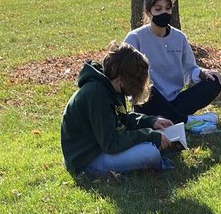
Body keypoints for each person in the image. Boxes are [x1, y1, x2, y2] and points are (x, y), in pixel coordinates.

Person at [60, 44, 174, 176]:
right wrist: (149, 135)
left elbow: (122, 119)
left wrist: (151, 122)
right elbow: (111, 143)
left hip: (101, 149)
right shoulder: (96, 95)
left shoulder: (112, 85)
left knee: (154, 140)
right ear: (123, 78)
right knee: (150, 153)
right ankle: (153, 163)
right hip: (86, 160)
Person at [124, 0, 221, 124]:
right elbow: (128, 78)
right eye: (158, 9)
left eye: (167, 8)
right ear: (148, 12)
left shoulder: (179, 37)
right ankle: (186, 120)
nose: (164, 12)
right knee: (146, 87)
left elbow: (189, 70)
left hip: (175, 99)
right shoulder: (134, 38)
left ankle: (170, 118)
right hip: (147, 100)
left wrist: (203, 72)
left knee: (215, 81)